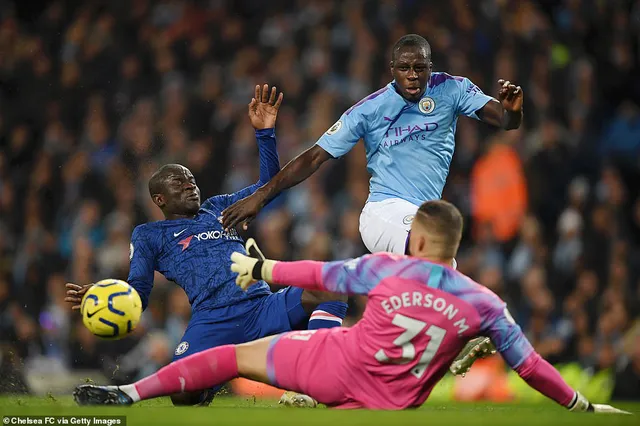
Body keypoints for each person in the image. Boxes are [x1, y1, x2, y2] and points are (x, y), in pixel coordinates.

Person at [73, 200, 629, 414]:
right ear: (456, 249)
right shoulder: (485, 302)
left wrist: (260, 270)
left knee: (236, 358)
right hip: (392, 401)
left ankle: (129, 393)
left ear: (415, 240)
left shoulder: (385, 268)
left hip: (335, 365)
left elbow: (317, 275)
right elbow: (530, 367)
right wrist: (580, 406)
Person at [65, 85, 348, 407]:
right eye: (178, 183)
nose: (189, 185)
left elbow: (269, 188)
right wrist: (107, 294)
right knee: (182, 396)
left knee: (331, 288)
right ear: (159, 199)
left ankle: (317, 377)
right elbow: (139, 292)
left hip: (260, 306)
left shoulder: (219, 208)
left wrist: (265, 133)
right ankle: (211, 378)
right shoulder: (148, 234)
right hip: (212, 320)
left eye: (191, 180)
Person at [220, 34, 524, 258]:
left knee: (442, 270)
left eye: (420, 67)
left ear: (430, 67)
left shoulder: (452, 89)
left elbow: (505, 121)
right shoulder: (370, 109)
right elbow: (314, 157)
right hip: (384, 212)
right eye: (404, 67)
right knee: (434, 250)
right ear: (392, 69)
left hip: (424, 214)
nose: (413, 75)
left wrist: (512, 110)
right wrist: (261, 196)